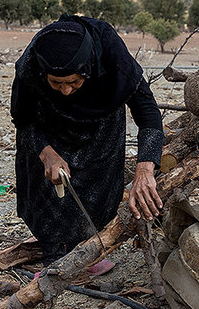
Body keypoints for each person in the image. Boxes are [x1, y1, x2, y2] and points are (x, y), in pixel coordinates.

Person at [10, 14, 164, 266]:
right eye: (56, 83)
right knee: (50, 189)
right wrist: (46, 152)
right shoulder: (31, 65)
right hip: (49, 123)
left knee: (98, 189)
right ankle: (55, 254)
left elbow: (147, 112)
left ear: (88, 68)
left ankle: (91, 247)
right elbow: (23, 118)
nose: (67, 90)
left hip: (101, 125)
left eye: (74, 81)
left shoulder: (113, 58)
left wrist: (145, 168)